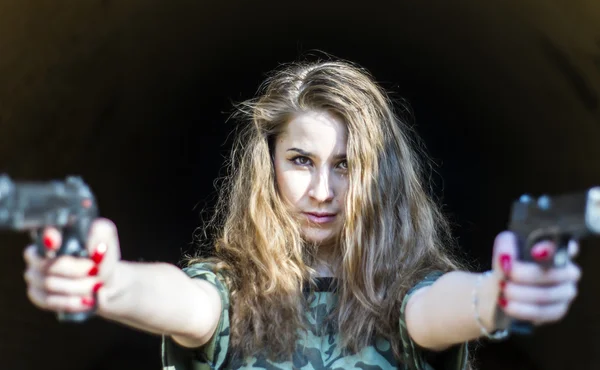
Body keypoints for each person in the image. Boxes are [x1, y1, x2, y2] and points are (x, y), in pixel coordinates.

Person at [23, 59, 581, 370]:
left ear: (378, 175)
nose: (322, 190)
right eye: (300, 161)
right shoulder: (232, 291)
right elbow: (184, 302)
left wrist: (501, 296)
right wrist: (107, 283)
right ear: (267, 166)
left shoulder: (403, 293)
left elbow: (443, 307)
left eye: (345, 164)